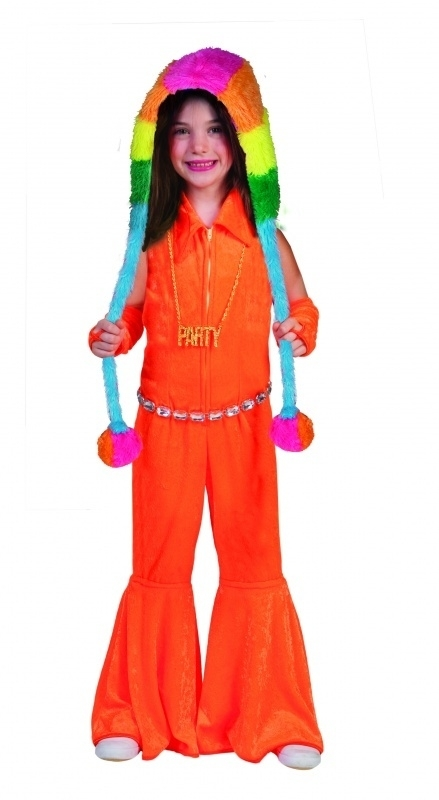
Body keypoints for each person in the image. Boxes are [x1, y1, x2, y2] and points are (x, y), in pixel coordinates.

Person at [88, 48, 323, 770]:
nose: (198, 146)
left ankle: (272, 716)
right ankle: (138, 712)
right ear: (160, 147)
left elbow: (301, 305)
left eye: (215, 129)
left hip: (245, 424)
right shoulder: (150, 239)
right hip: (163, 429)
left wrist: (299, 330)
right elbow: (129, 315)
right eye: (181, 131)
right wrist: (112, 334)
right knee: (157, 563)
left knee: (255, 561)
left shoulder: (265, 237)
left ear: (245, 141)